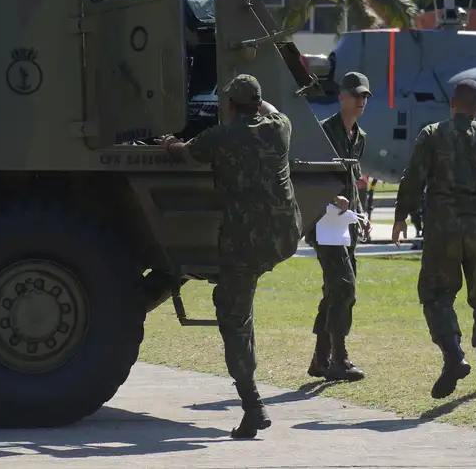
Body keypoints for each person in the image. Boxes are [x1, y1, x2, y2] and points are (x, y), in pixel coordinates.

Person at [156, 74, 303, 439]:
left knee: (233, 315)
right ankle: (252, 404)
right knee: (243, 301)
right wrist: (259, 103)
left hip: (245, 241)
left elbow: (186, 153)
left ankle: (253, 406)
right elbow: (272, 110)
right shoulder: (280, 126)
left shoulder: (221, 136)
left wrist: (169, 143)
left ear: (231, 105)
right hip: (284, 236)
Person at [391, 79, 476, 398]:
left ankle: (454, 356)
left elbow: (414, 178)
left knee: (436, 294)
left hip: (442, 228)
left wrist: (401, 215)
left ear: (451, 104)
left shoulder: (433, 135)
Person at [306, 72, 371, 382]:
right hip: (322, 223)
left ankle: (321, 358)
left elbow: (352, 185)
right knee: (344, 286)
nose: (361, 101)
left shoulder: (360, 137)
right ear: (341, 96)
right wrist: (332, 196)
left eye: (365, 96)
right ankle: (338, 358)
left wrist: (360, 215)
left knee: (335, 288)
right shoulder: (322, 133)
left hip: (345, 226)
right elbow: (306, 176)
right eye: (356, 95)